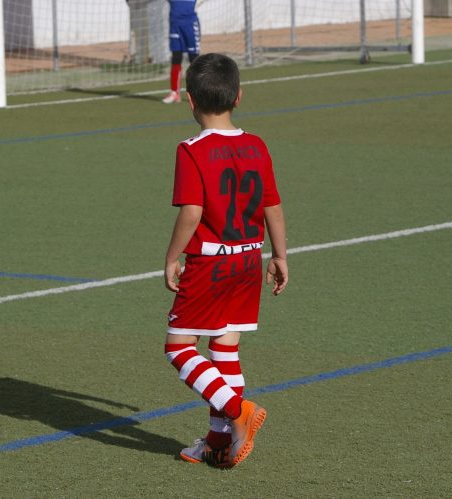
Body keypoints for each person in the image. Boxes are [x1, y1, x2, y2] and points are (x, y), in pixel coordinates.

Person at [162, 53, 288, 468]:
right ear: (238, 96)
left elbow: (192, 211)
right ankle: (218, 443)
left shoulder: (191, 150)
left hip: (210, 264)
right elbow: (272, 206)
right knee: (225, 349)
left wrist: (172, 257)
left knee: (179, 348)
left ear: (190, 100)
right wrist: (279, 255)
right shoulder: (256, 145)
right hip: (249, 260)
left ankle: (238, 412)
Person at [162, 0, 201, 104]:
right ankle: (174, 93)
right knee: (176, 57)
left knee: (194, 59)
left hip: (190, 24)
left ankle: (198, 94)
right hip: (175, 24)